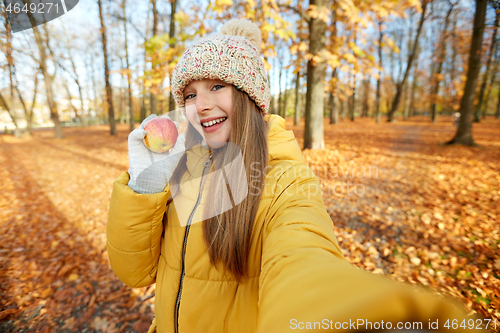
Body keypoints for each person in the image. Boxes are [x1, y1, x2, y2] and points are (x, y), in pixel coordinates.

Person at [107, 19, 473, 333]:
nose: (200, 105)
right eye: (189, 94)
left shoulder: (283, 179)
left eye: (217, 86)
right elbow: (135, 274)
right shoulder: (182, 166)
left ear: (250, 97)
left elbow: (304, 256)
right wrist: (146, 183)